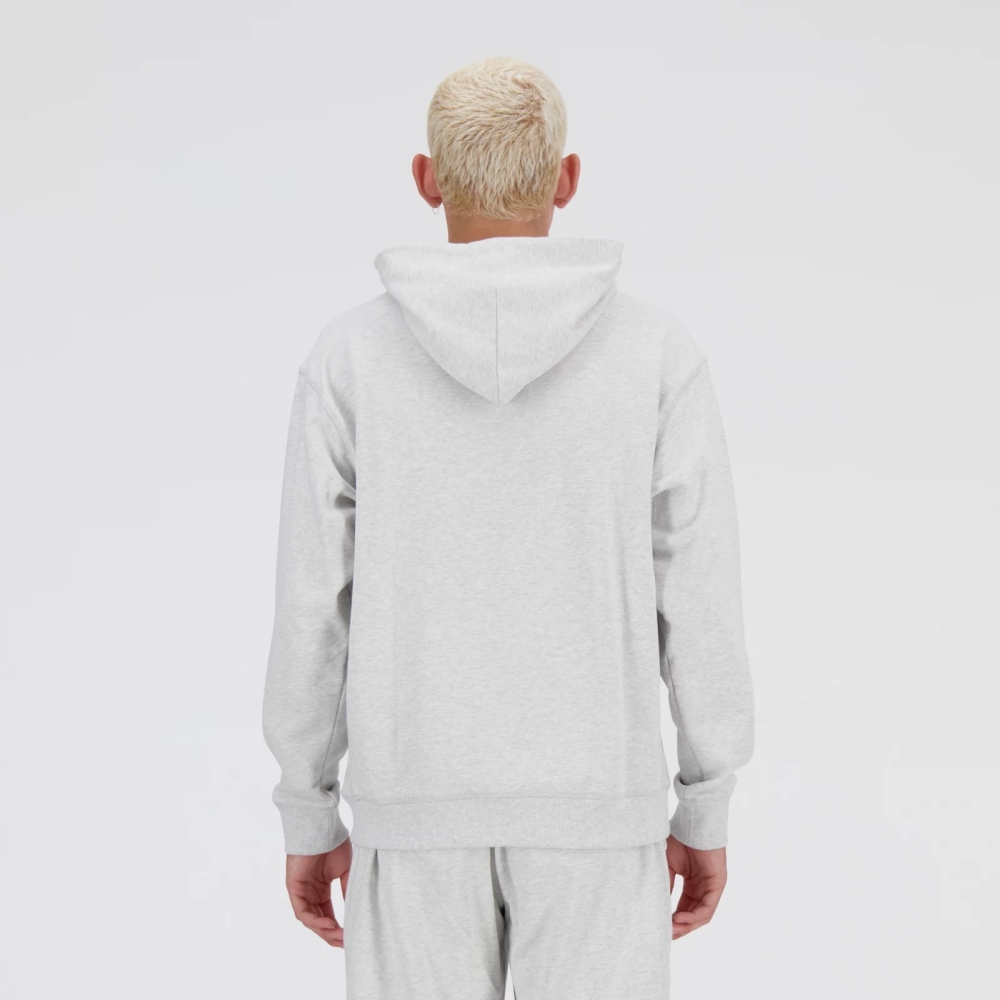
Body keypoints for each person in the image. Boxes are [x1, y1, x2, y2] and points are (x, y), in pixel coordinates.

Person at [262, 55, 754, 999]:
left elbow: (312, 601)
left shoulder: (351, 358)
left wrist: (307, 809)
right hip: (598, 815)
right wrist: (706, 800)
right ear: (567, 179)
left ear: (426, 178)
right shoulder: (654, 354)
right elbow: (699, 595)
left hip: (412, 815)